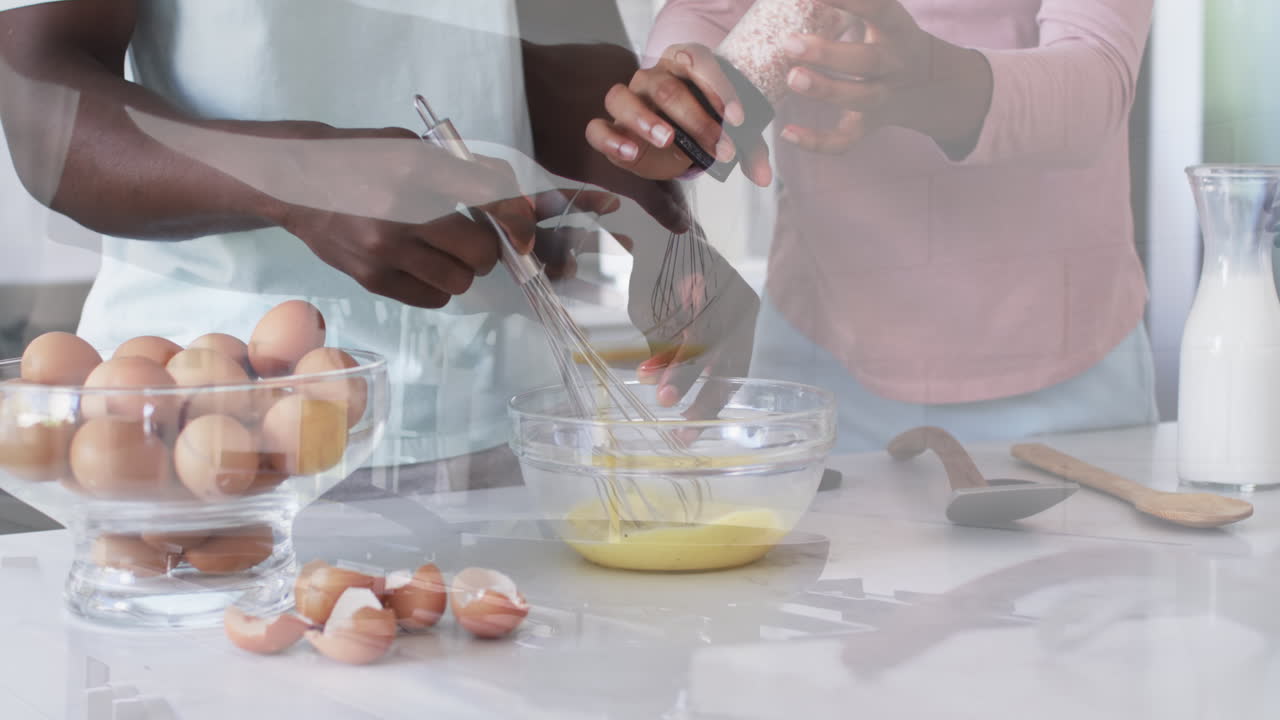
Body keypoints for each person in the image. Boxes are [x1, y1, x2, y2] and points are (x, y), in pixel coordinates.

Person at [0, 0, 757, 493]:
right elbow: (37, 95)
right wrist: (297, 175)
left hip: (498, 420)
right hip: (210, 428)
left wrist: (656, 226)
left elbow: (552, 43)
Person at [589, 0, 1159, 452]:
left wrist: (930, 81)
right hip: (823, 353)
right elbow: (712, 11)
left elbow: (1097, 83)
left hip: (1056, 366)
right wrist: (680, 102)